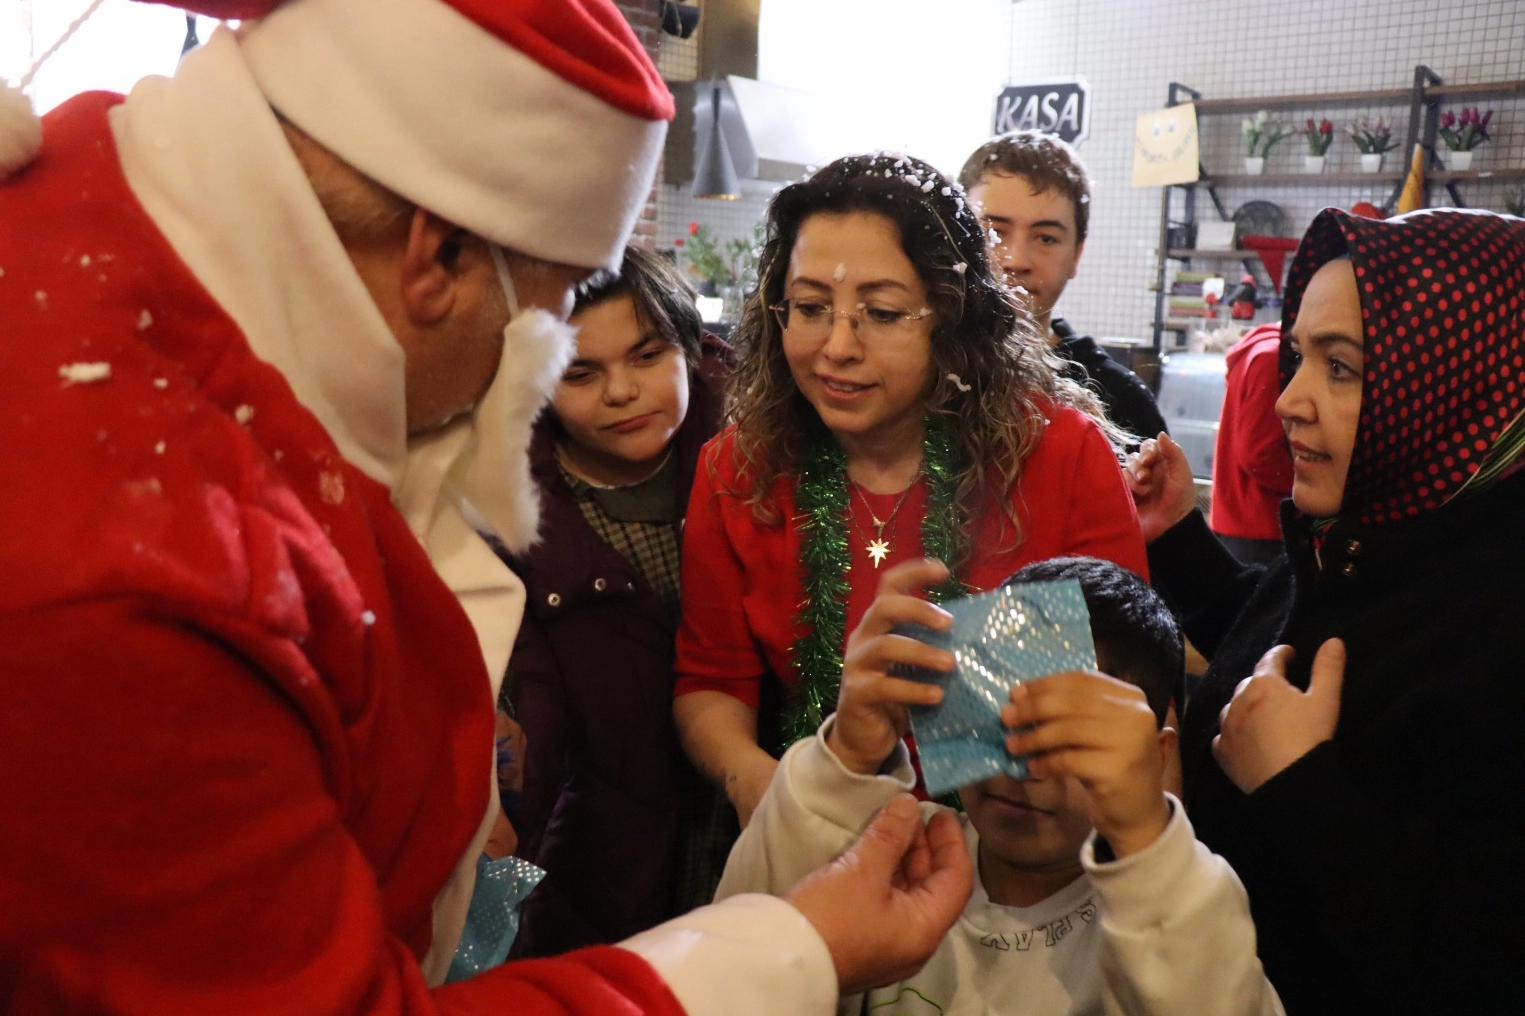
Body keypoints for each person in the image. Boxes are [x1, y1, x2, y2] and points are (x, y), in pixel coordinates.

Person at [0, 2, 973, 1013]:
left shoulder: (117, 214)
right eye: (550, 305)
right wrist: (791, 949)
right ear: (438, 257)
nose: (547, 357)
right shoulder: (134, 573)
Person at [671, 153, 1150, 829]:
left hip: (1016, 861)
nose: (836, 346)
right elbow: (711, 681)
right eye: (809, 308)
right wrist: (760, 782)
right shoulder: (738, 468)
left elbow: (1119, 700)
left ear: (951, 319)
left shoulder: (1058, 457)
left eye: (883, 313)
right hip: (816, 839)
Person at [1127, 207, 1525, 1015]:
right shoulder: (1375, 533)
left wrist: (1299, 786)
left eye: (1340, 368)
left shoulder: (1499, 622)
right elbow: (1291, 647)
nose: (1287, 401)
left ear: (1464, 384)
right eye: (1297, 356)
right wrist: (1177, 539)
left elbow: (1480, 968)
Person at [718, 556, 1283, 1016]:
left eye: (1068, 738)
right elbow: (740, 960)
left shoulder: (1173, 903)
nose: (1022, 766)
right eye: (998, 717)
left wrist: (1143, 834)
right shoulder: (895, 852)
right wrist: (843, 762)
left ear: (1152, 757)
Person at [497, 247, 735, 956]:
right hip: (603, 867)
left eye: (646, 355)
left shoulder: (758, 460)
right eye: (581, 372)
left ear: (687, 347)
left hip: (752, 826)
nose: (622, 392)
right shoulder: (511, 511)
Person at [958, 131, 1166, 443]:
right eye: (994, 233)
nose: (1016, 260)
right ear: (958, 239)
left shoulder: (1118, 398)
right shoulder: (918, 374)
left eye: (1046, 238)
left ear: (1075, 255)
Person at [1209, 323, 1293, 565]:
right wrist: (1313, 481)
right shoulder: (1272, 358)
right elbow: (1260, 454)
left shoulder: (1261, 352)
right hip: (1261, 526)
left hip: (1245, 524)